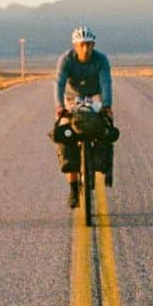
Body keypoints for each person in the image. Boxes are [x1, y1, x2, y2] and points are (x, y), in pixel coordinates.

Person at [51, 26, 114, 207]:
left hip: (94, 96)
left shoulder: (101, 60)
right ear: (75, 45)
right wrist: (60, 106)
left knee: (106, 125)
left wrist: (107, 105)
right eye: (82, 45)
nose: (85, 49)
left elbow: (106, 82)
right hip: (72, 98)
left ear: (93, 45)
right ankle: (72, 189)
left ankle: (107, 163)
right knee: (65, 132)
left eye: (89, 45)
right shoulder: (66, 59)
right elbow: (59, 83)